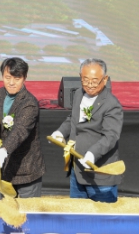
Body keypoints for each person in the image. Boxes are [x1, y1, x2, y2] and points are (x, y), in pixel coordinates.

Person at [51, 59, 123, 203]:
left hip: (100, 175)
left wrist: (92, 153)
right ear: (80, 77)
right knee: (77, 213)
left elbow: (111, 136)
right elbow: (73, 118)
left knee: (102, 215)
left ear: (105, 79)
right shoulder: (79, 94)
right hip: (77, 171)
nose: (89, 85)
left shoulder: (111, 104)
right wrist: (60, 132)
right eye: (85, 80)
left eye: (95, 81)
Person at [0, 57, 45, 198]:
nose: (11, 82)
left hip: (27, 170)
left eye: (17, 78)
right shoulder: (0, 94)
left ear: (24, 78)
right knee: (6, 209)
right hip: (6, 169)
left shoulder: (29, 103)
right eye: (7, 77)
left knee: (28, 210)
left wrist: (4, 150)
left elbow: (20, 131)